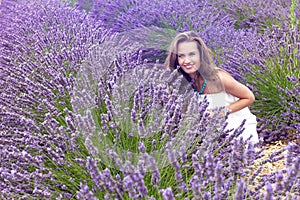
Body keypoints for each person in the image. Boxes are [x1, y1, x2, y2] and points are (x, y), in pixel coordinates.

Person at [164, 31, 259, 144]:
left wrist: (219, 113)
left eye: (192, 54)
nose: (187, 61)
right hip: (207, 136)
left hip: (238, 131)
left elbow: (249, 97)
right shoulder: (180, 83)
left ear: (201, 55)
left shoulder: (217, 78)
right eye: (181, 56)